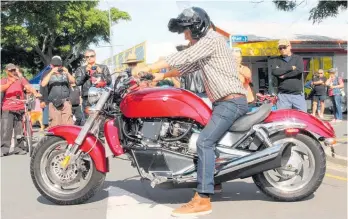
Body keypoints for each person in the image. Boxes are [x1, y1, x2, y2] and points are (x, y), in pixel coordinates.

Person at [133, 7, 248, 216]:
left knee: (205, 142)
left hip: (231, 102)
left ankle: (203, 198)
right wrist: (159, 77)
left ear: (196, 28)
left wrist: (150, 67)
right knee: (194, 137)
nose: (185, 35)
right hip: (222, 103)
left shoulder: (212, 39)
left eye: (186, 31)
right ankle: (214, 179)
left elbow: (185, 56)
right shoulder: (206, 46)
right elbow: (186, 67)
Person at [1, 64, 41, 156]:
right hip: (8, 108)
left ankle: (19, 148)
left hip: (20, 107)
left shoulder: (21, 79)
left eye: (14, 70)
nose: (13, 72)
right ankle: (4, 149)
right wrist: (10, 83)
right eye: (11, 70)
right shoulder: (4, 80)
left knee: (19, 130)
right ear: (7, 71)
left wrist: (35, 93)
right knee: (6, 130)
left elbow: (28, 86)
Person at [75, 49, 112, 118]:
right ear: (85, 58)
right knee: (88, 121)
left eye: (91, 56)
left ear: (95, 57)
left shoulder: (103, 67)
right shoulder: (81, 69)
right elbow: (77, 82)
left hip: (101, 97)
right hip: (87, 99)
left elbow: (109, 81)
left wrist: (100, 73)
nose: (89, 58)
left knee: (101, 119)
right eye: (87, 57)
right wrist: (86, 73)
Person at [271, 39, 306, 112]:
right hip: (283, 96)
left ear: (289, 46)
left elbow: (299, 70)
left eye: (284, 47)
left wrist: (284, 75)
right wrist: (291, 68)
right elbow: (275, 72)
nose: (282, 50)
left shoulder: (297, 58)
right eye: (280, 48)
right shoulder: (276, 60)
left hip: (297, 95)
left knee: (303, 118)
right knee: (282, 119)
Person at [40, 56, 75, 127]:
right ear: (51, 65)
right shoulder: (47, 73)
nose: (57, 67)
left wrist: (67, 73)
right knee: (55, 124)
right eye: (55, 66)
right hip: (52, 103)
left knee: (67, 124)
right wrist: (51, 72)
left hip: (66, 102)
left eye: (59, 66)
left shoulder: (65, 72)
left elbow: (73, 81)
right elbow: (43, 84)